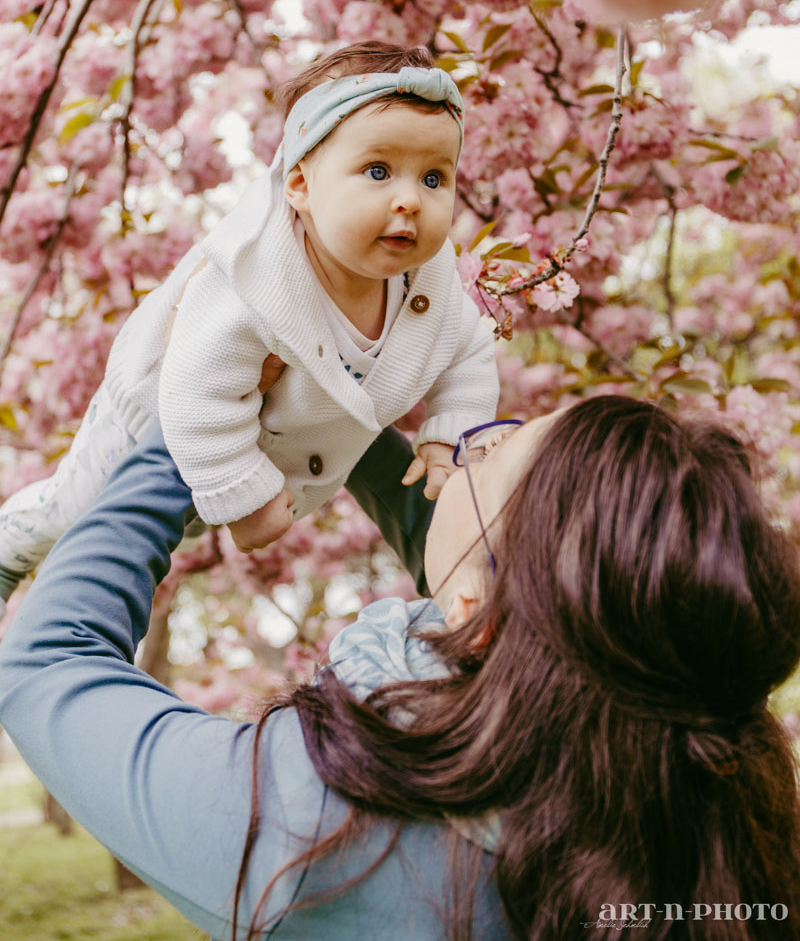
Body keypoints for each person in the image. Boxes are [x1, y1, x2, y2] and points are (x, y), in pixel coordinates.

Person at [1, 392, 800, 940]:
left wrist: (193, 425)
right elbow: (498, 596)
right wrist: (334, 420)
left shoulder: (315, 821)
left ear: (478, 618)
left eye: (486, 456)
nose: (458, 458)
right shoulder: (734, 805)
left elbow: (43, 660)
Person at [0, 42, 499, 615]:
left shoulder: (428, 283)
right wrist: (245, 495)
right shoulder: (254, 281)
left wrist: (449, 433)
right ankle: (8, 548)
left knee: (184, 532)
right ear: (299, 185)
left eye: (435, 178)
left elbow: (467, 351)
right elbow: (194, 395)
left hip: (290, 434)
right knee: (77, 512)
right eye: (378, 171)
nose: (410, 199)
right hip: (153, 421)